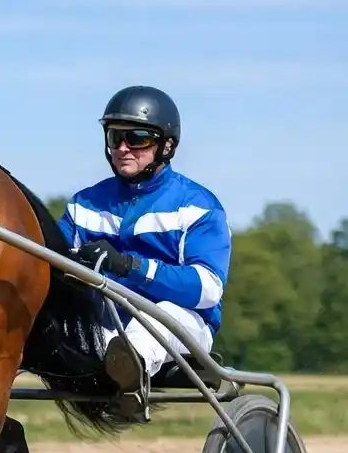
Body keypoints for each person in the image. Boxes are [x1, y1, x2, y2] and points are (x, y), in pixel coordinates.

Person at [58, 85, 232, 405]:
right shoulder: (83, 204)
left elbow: (207, 289)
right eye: (115, 137)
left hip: (181, 326)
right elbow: (51, 260)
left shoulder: (198, 206)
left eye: (137, 138)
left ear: (166, 146)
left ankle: (130, 377)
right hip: (107, 323)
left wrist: (129, 266)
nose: (123, 148)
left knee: (156, 317)